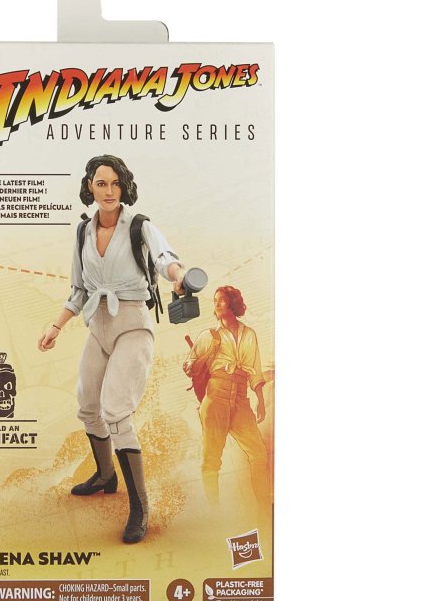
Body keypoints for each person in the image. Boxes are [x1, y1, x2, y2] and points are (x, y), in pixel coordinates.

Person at [38, 154, 185, 544]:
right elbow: (78, 289)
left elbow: (165, 259)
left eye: (115, 183)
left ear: (124, 186)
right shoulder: (82, 232)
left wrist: (178, 275)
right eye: (101, 183)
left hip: (132, 325)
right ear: (90, 186)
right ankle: (106, 475)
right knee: (88, 406)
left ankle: (139, 506)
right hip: (97, 325)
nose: (108, 191)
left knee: (116, 410)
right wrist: (56, 325)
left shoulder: (139, 226)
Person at [183, 286, 271, 511]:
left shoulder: (249, 334)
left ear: (233, 302)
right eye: (215, 300)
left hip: (241, 399)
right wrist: (206, 354)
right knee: (211, 461)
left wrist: (260, 401)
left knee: (259, 454)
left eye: (222, 300)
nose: (217, 304)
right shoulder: (209, 336)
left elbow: (255, 371)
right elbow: (190, 367)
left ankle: (264, 510)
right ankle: (214, 514)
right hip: (216, 397)